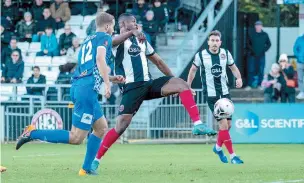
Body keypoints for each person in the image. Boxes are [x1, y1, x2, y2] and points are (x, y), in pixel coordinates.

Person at [91, 13, 217, 171]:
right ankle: (96, 159)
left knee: (182, 84)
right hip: (131, 88)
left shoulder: (142, 40)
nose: (137, 24)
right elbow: (113, 42)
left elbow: (158, 61)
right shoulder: (114, 39)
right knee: (121, 126)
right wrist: (131, 32)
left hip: (149, 84)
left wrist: (175, 82)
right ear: (123, 24)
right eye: (133, 22)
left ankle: (198, 124)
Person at [15, 12, 125, 176]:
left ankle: (86, 168)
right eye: (114, 25)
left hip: (83, 87)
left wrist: (110, 78)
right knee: (76, 138)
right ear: (108, 26)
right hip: (86, 91)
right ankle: (32, 133)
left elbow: (89, 70)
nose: (113, 29)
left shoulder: (88, 40)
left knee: (101, 128)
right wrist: (107, 84)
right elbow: (100, 59)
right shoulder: (105, 38)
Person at [187, 30, 244, 164]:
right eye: (212, 40)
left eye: (217, 41)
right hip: (213, 97)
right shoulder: (201, 55)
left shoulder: (225, 53)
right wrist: (188, 86)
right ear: (208, 42)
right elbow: (193, 70)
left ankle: (218, 148)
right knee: (223, 125)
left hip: (225, 94)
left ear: (220, 42)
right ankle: (233, 156)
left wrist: (239, 78)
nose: (214, 43)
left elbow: (233, 68)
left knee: (228, 125)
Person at [246, 21, 271, 90]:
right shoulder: (251, 34)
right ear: (255, 26)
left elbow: (269, 44)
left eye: (259, 25)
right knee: (251, 70)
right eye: (257, 25)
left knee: (261, 70)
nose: (258, 26)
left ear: (262, 26)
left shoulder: (265, 34)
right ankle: (249, 85)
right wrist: (252, 51)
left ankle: (260, 85)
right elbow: (248, 44)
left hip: (261, 56)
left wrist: (263, 50)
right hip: (252, 55)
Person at [293, 34, 304, 99]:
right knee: (300, 78)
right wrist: (299, 57)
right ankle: (302, 92)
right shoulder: (299, 39)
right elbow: (295, 48)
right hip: (300, 62)